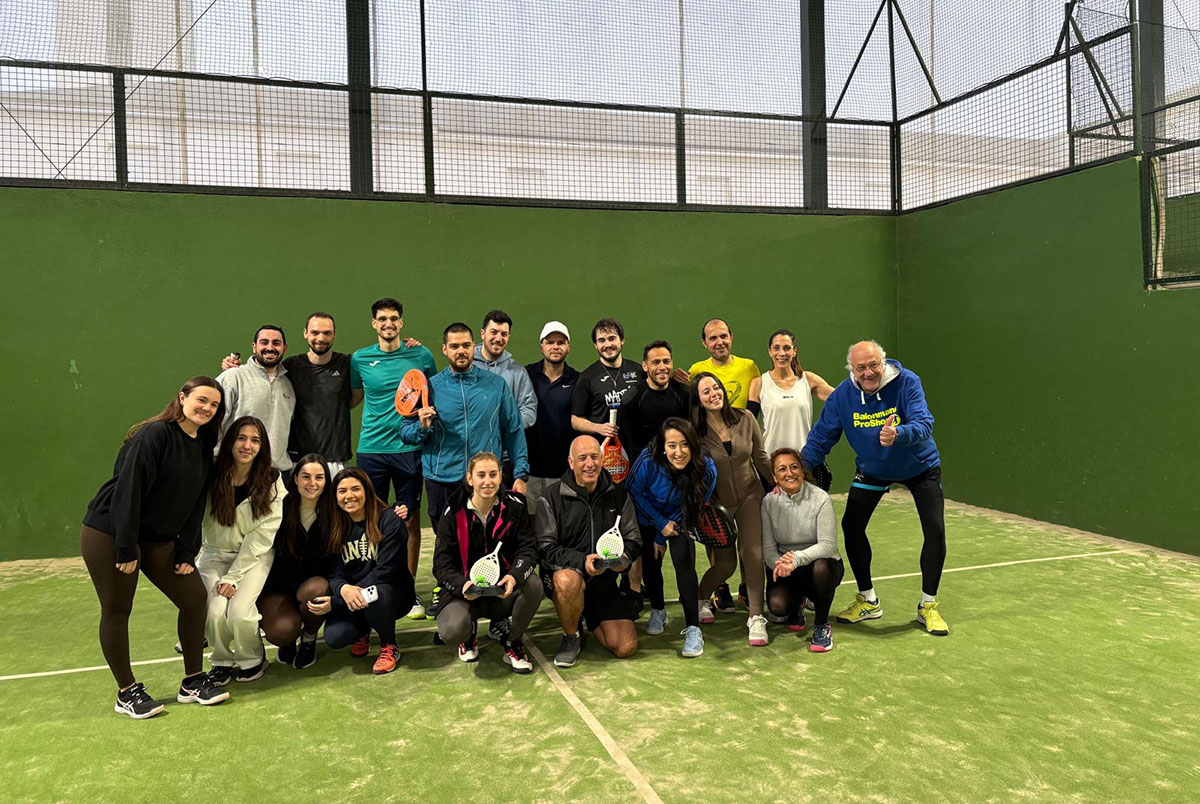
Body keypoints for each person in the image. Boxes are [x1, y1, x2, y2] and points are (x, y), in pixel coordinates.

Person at [81, 376, 229, 718]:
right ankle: (127, 692)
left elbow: (195, 501)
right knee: (118, 609)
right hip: (110, 532)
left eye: (214, 405)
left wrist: (186, 551)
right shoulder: (154, 435)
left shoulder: (203, 443)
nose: (207, 408)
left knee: (194, 599)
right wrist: (125, 547)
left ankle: (193, 681)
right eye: (202, 400)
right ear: (182, 397)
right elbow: (127, 492)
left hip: (158, 538)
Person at [801, 340, 950, 636]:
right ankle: (868, 600)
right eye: (861, 368)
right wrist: (797, 470)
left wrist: (899, 433)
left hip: (920, 467)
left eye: (873, 365)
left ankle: (928, 606)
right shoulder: (843, 397)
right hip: (873, 469)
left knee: (934, 530)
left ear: (882, 363)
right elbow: (821, 438)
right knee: (852, 526)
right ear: (851, 369)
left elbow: (925, 423)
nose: (869, 373)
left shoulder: (907, 382)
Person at [350, 297, 437, 619]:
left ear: (402, 323)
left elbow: (430, 392)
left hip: (409, 449)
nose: (388, 323)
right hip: (371, 449)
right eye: (382, 319)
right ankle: (373, 585)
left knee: (410, 519)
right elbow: (354, 397)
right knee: (370, 521)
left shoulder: (421, 354)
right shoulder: (359, 359)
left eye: (394, 318)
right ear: (374, 323)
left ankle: (409, 589)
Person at [399, 322, 529, 530]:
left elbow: (514, 431)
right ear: (445, 349)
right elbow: (405, 433)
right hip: (441, 480)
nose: (461, 351)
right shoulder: (429, 387)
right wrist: (422, 428)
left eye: (466, 345)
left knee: (486, 543)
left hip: (484, 480)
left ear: (473, 347)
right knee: (447, 546)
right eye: (454, 346)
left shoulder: (496, 385)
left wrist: (521, 474)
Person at [535, 436, 641, 668]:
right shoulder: (551, 497)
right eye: (582, 458)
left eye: (594, 457)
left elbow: (633, 538)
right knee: (567, 580)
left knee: (626, 646)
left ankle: (586, 615)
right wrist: (581, 561)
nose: (589, 464)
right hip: (568, 575)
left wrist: (625, 559)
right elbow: (545, 548)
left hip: (603, 581)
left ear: (602, 460)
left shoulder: (619, 494)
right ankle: (571, 635)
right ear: (571, 463)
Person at [433, 452, 543, 674]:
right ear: (470, 478)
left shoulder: (515, 507)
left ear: (501, 477)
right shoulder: (452, 512)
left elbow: (528, 549)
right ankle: (468, 633)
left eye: (493, 474)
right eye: (481, 475)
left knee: (534, 585)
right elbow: (441, 564)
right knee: (452, 631)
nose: (487, 481)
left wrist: (513, 576)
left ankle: (513, 642)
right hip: (464, 594)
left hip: (501, 591)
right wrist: (462, 584)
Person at [198, 416, 286, 685]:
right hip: (213, 554)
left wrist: (232, 577)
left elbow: (260, 539)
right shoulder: (212, 473)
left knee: (238, 611)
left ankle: (252, 658)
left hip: (253, 558)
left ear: (262, 447)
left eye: (255, 440)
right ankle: (222, 660)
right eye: (241, 438)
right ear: (230, 441)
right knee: (214, 611)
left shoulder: (271, 480)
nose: (248, 445)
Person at [691, 372, 774, 646]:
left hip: (751, 495)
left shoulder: (745, 418)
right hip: (717, 505)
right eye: (706, 391)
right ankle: (700, 598)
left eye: (716, 387)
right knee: (725, 565)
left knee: (752, 552)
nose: (714, 393)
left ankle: (755, 617)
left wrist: (778, 485)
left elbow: (760, 457)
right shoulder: (694, 432)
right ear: (698, 400)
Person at [219, 313, 359, 473]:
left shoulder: (347, 364)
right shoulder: (290, 367)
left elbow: (355, 397)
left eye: (327, 333)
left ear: (334, 333)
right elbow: (262, 371)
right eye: (315, 332)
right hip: (292, 461)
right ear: (305, 333)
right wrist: (233, 370)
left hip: (330, 459)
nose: (320, 338)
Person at [626, 418, 716, 658]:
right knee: (651, 561)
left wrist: (665, 529)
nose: (679, 452)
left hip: (682, 515)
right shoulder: (647, 460)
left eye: (685, 444)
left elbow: (696, 502)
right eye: (672, 445)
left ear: (693, 445)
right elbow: (634, 492)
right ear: (663, 447)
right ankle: (658, 609)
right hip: (648, 515)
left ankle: (694, 628)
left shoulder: (706, 466)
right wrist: (658, 524)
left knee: (684, 563)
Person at [317, 468, 415, 674]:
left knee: (378, 595)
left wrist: (338, 602)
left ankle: (389, 646)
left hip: (391, 593)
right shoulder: (334, 526)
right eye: (342, 491)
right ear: (335, 497)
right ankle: (362, 629)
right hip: (354, 595)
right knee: (336, 637)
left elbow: (385, 572)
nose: (349, 496)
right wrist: (343, 588)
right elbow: (333, 572)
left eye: (355, 489)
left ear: (367, 491)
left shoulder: (389, 520)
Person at [616, 340, 690, 605]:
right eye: (656, 362)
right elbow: (629, 440)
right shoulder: (633, 398)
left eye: (666, 361)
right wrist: (653, 470)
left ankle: (692, 605)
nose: (662, 367)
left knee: (682, 552)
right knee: (650, 553)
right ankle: (647, 600)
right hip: (645, 485)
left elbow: (689, 436)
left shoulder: (684, 394)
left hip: (679, 485)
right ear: (645, 366)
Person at [761, 448, 844, 652]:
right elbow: (769, 549)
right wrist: (780, 565)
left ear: (802, 470)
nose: (789, 473)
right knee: (777, 606)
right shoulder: (769, 502)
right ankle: (797, 603)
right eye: (782, 469)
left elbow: (827, 545)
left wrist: (796, 559)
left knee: (821, 568)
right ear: (775, 477)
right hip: (788, 567)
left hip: (819, 564)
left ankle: (821, 625)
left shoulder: (820, 498)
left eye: (794, 467)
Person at [257, 454, 335, 670]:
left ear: (326, 481)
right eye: (306, 476)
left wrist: (396, 510)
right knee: (281, 632)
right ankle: (291, 638)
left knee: (318, 588)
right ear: (295, 479)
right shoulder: (279, 507)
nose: (312, 483)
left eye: (319, 477)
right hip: (277, 588)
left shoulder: (333, 511)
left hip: (311, 586)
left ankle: (309, 639)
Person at [216, 325, 296, 470]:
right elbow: (214, 423)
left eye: (276, 343)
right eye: (264, 342)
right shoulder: (233, 377)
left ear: (285, 348)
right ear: (254, 347)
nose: (270, 348)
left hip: (276, 473)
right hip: (235, 469)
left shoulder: (288, 386)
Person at [747, 328, 834, 457]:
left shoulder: (808, 380)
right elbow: (748, 426)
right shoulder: (758, 384)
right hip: (770, 461)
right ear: (770, 351)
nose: (781, 353)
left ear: (794, 351)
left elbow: (842, 400)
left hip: (803, 461)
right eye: (776, 348)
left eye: (787, 348)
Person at [524, 321, 579, 509]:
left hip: (564, 471)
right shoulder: (526, 374)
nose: (555, 347)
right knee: (531, 526)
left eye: (561, 342)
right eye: (550, 342)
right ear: (542, 347)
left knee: (561, 525)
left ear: (568, 348)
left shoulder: (578, 380)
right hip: (531, 470)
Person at [570, 318, 644, 438]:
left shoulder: (639, 371)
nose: (607, 345)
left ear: (622, 340)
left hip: (634, 448)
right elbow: (576, 420)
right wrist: (598, 428)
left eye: (612, 338)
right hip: (603, 450)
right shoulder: (587, 377)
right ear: (595, 345)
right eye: (601, 340)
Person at [474, 309, 538, 429]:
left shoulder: (518, 372)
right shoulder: (467, 365)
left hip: (505, 446)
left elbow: (529, 410)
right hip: (471, 445)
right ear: (482, 333)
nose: (498, 339)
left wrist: (506, 427)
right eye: (494, 332)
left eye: (504, 334)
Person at [686, 319, 760, 410]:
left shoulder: (749, 366)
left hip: (744, 424)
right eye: (713, 338)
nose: (720, 342)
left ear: (731, 338)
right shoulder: (696, 371)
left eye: (724, 336)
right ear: (704, 343)